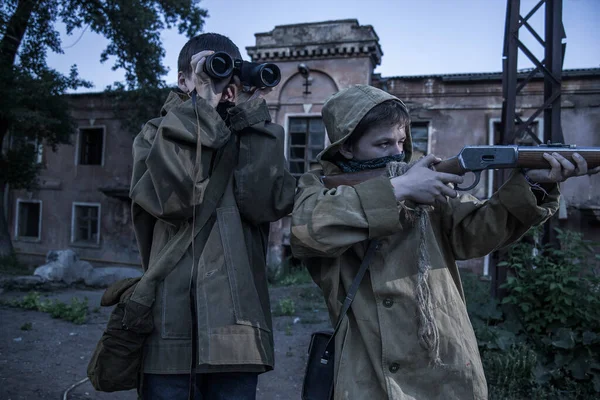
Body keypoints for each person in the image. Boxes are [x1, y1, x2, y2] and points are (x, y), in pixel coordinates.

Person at [290, 84, 600, 400]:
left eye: (400, 141)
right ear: (346, 148)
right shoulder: (318, 189)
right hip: (367, 366)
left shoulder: (425, 179)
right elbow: (308, 232)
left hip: (441, 361)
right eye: (383, 143)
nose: (397, 152)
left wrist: (534, 183)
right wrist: (398, 190)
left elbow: (477, 232)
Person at [129, 33, 296, 399]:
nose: (218, 83)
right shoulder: (155, 135)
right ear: (183, 79)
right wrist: (201, 108)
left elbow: (264, 203)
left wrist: (253, 116)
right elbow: (177, 199)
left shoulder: (253, 137)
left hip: (238, 329)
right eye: (206, 70)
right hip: (168, 326)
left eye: (226, 74)